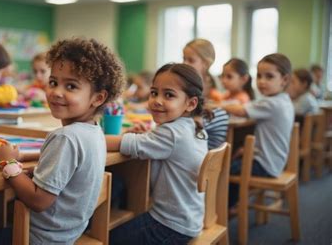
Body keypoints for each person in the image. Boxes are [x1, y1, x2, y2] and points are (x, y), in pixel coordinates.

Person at [0, 38, 125, 244]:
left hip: (40, 238)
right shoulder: (94, 131)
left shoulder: (65, 137)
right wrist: (26, 164)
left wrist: (7, 163)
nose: (56, 92)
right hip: (68, 233)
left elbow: (38, 201)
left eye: (71, 86)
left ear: (98, 98)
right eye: (54, 82)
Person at [106, 63, 208, 245]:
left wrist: (89, 137)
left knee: (108, 239)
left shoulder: (171, 133)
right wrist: (145, 136)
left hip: (169, 226)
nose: (157, 100)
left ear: (191, 103)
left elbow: (125, 143)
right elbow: (162, 143)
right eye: (154, 93)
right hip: (188, 218)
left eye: (168, 95)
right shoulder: (193, 126)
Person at [221, 53, 294, 208]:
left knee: (222, 168)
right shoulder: (284, 100)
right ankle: (231, 205)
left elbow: (240, 110)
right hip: (275, 161)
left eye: (269, 77)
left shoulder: (272, 103)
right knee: (234, 161)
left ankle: (224, 209)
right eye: (259, 76)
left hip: (265, 165)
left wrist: (217, 105)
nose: (262, 81)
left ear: (284, 80)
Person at [183, 38, 229, 150]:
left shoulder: (212, 93)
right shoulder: (185, 84)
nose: (184, 63)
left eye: (191, 60)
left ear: (206, 63)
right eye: (184, 59)